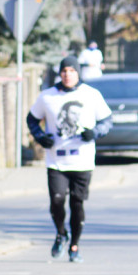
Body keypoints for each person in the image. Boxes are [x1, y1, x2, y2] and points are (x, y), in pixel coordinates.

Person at [26, 55, 113, 263]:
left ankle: (74, 245)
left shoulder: (91, 95)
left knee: (77, 204)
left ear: (77, 73)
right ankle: (60, 233)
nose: (67, 74)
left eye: (71, 71)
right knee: (56, 200)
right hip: (56, 160)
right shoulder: (47, 96)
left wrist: (95, 132)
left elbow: (107, 121)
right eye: (64, 71)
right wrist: (40, 137)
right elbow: (32, 119)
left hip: (82, 160)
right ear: (60, 73)